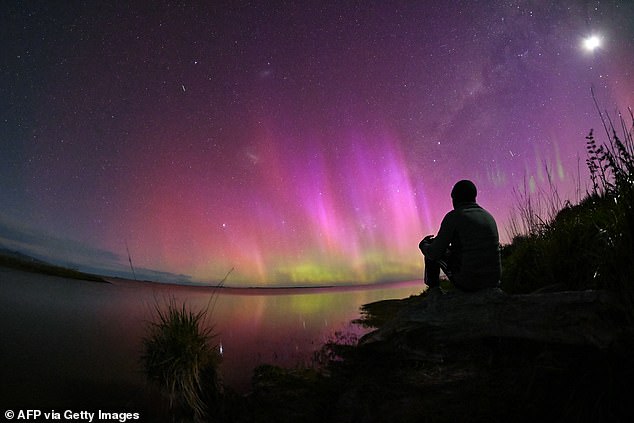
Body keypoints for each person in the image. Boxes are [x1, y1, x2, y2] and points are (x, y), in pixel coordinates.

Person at [419, 180, 501, 294]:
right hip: (493, 281)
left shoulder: (454, 217)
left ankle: (434, 292)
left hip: (469, 283)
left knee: (430, 251)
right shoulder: (488, 216)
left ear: (455, 198)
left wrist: (423, 245)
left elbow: (434, 252)